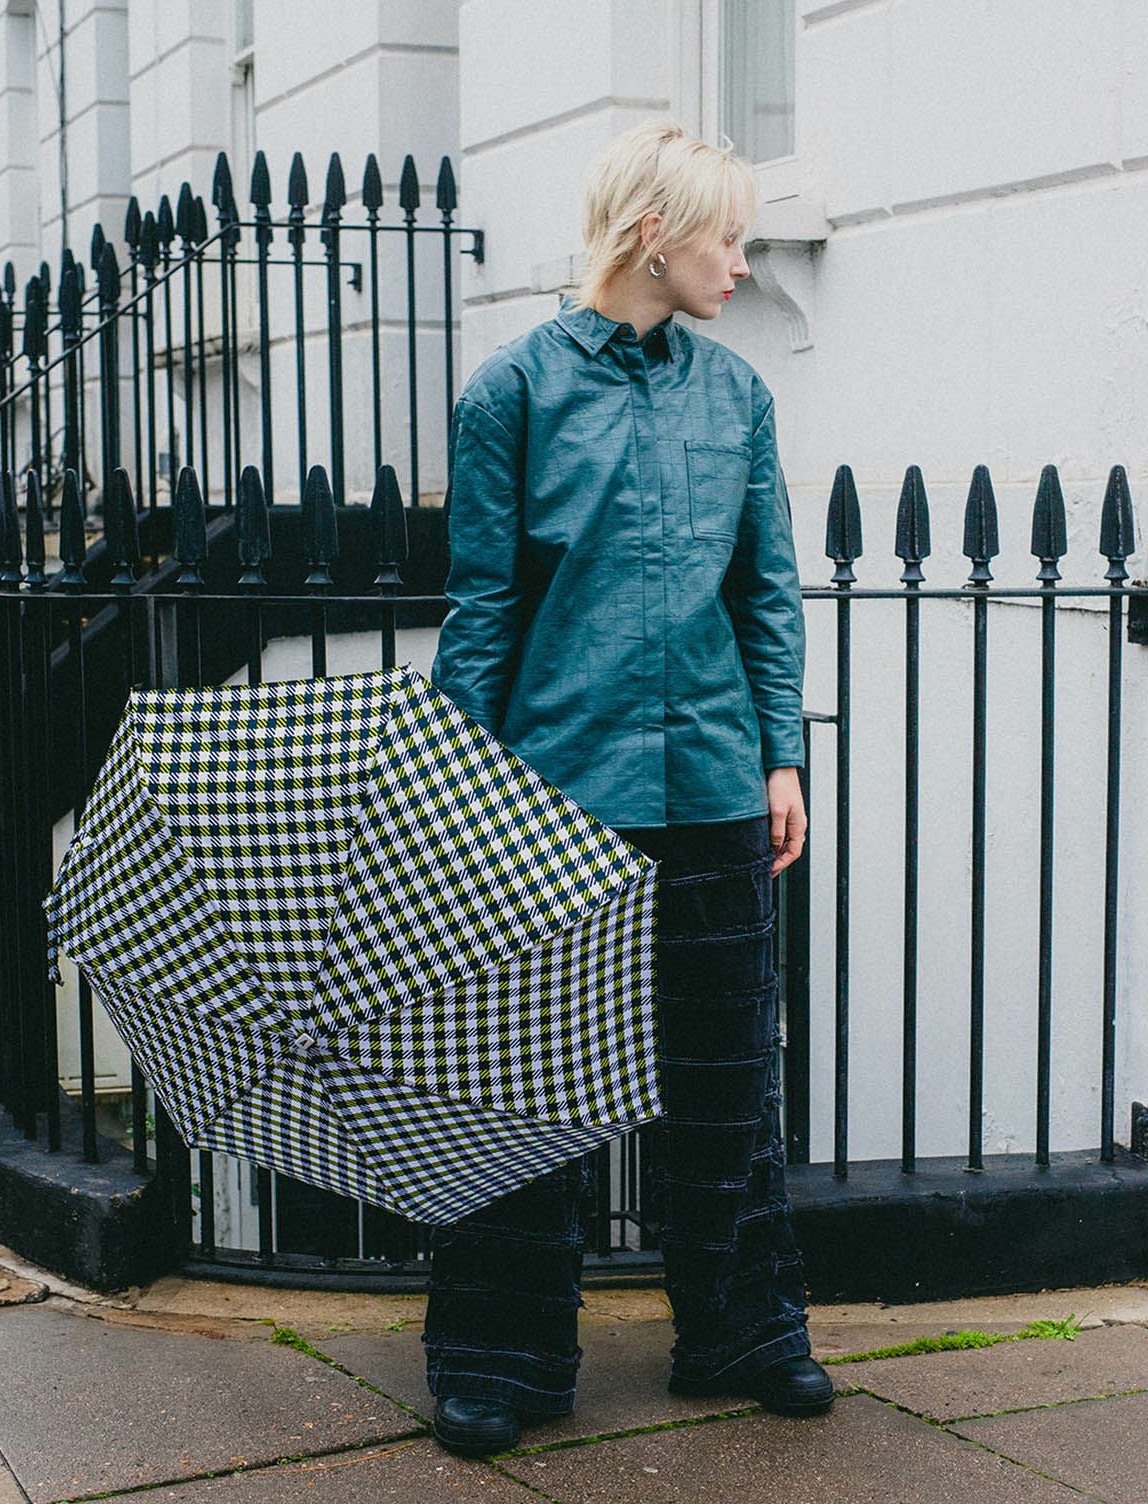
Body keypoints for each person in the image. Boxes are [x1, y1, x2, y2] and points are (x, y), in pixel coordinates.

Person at [423, 116, 833, 1458]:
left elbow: (765, 591)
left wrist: (780, 755)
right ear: (655, 235)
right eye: (727, 235)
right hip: (554, 795)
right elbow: (485, 605)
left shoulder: (738, 396)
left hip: (714, 788)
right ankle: (502, 1358)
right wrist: (457, 786)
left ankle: (744, 1331)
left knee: (727, 1083)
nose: (743, 260)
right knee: (524, 1088)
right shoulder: (512, 393)